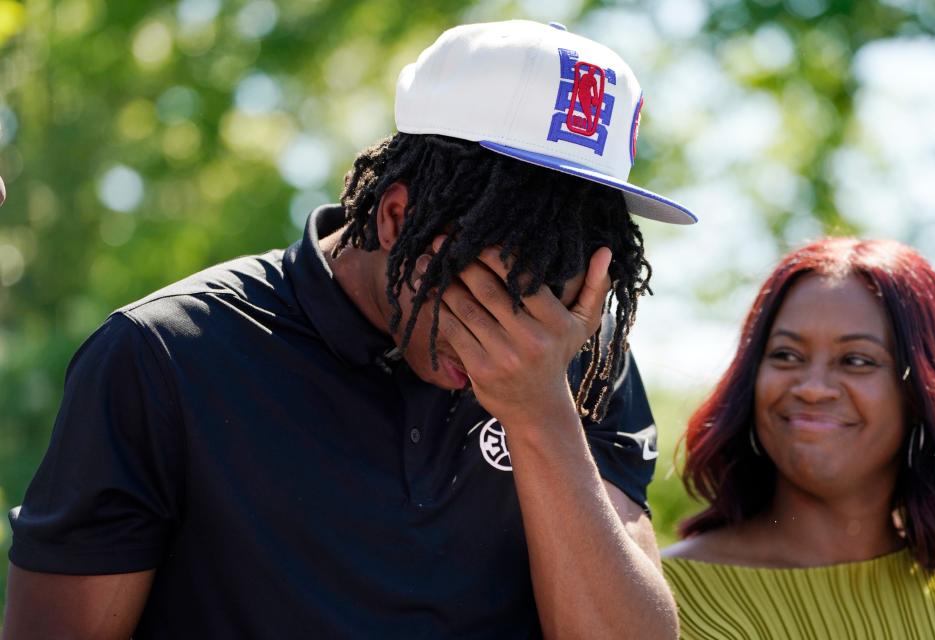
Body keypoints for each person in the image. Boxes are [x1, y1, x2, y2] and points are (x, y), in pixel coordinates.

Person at [4, 20, 698, 639]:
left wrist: (542, 417)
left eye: (565, 275)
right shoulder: (163, 356)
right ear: (396, 219)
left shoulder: (576, 364)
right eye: (509, 281)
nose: (539, 323)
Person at [662, 237, 935, 639]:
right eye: (786, 355)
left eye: (856, 360)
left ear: (921, 392)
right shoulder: (660, 599)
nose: (812, 388)